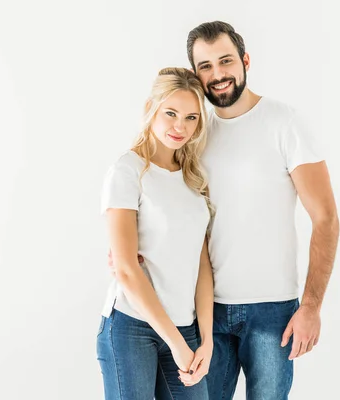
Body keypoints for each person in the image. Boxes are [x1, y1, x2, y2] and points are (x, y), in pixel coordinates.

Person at [174, 21, 340, 399]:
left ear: (245, 60)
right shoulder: (193, 133)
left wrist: (311, 307)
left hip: (273, 312)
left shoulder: (285, 123)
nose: (217, 75)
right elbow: (170, 207)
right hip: (204, 311)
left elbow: (326, 219)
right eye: (205, 66)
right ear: (195, 75)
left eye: (226, 61)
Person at [96, 67, 214, 399]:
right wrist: (176, 343)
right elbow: (126, 269)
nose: (181, 126)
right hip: (132, 327)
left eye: (191, 117)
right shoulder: (127, 171)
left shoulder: (193, 179)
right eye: (171, 113)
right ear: (151, 108)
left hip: (186, 328)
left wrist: (205, 339)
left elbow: (201, 262)